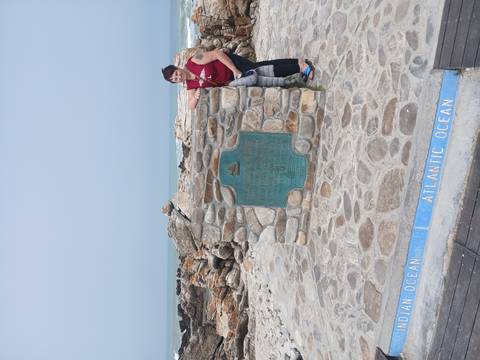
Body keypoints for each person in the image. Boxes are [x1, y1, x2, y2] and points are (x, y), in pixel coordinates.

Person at [162, 50, 315, 109]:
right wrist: (195, 97)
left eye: (175, 73)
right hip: (233, 80)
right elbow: (190, 106)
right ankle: (297, 65)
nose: (177, 76)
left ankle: (300, 65)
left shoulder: (193, 62)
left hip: (233, 65)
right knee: (264, 70)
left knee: (263, 69)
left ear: (177, 68)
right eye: (174, 79)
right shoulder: (190, 85)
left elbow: (217, 54)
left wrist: (235, 70)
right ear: (175, 82)